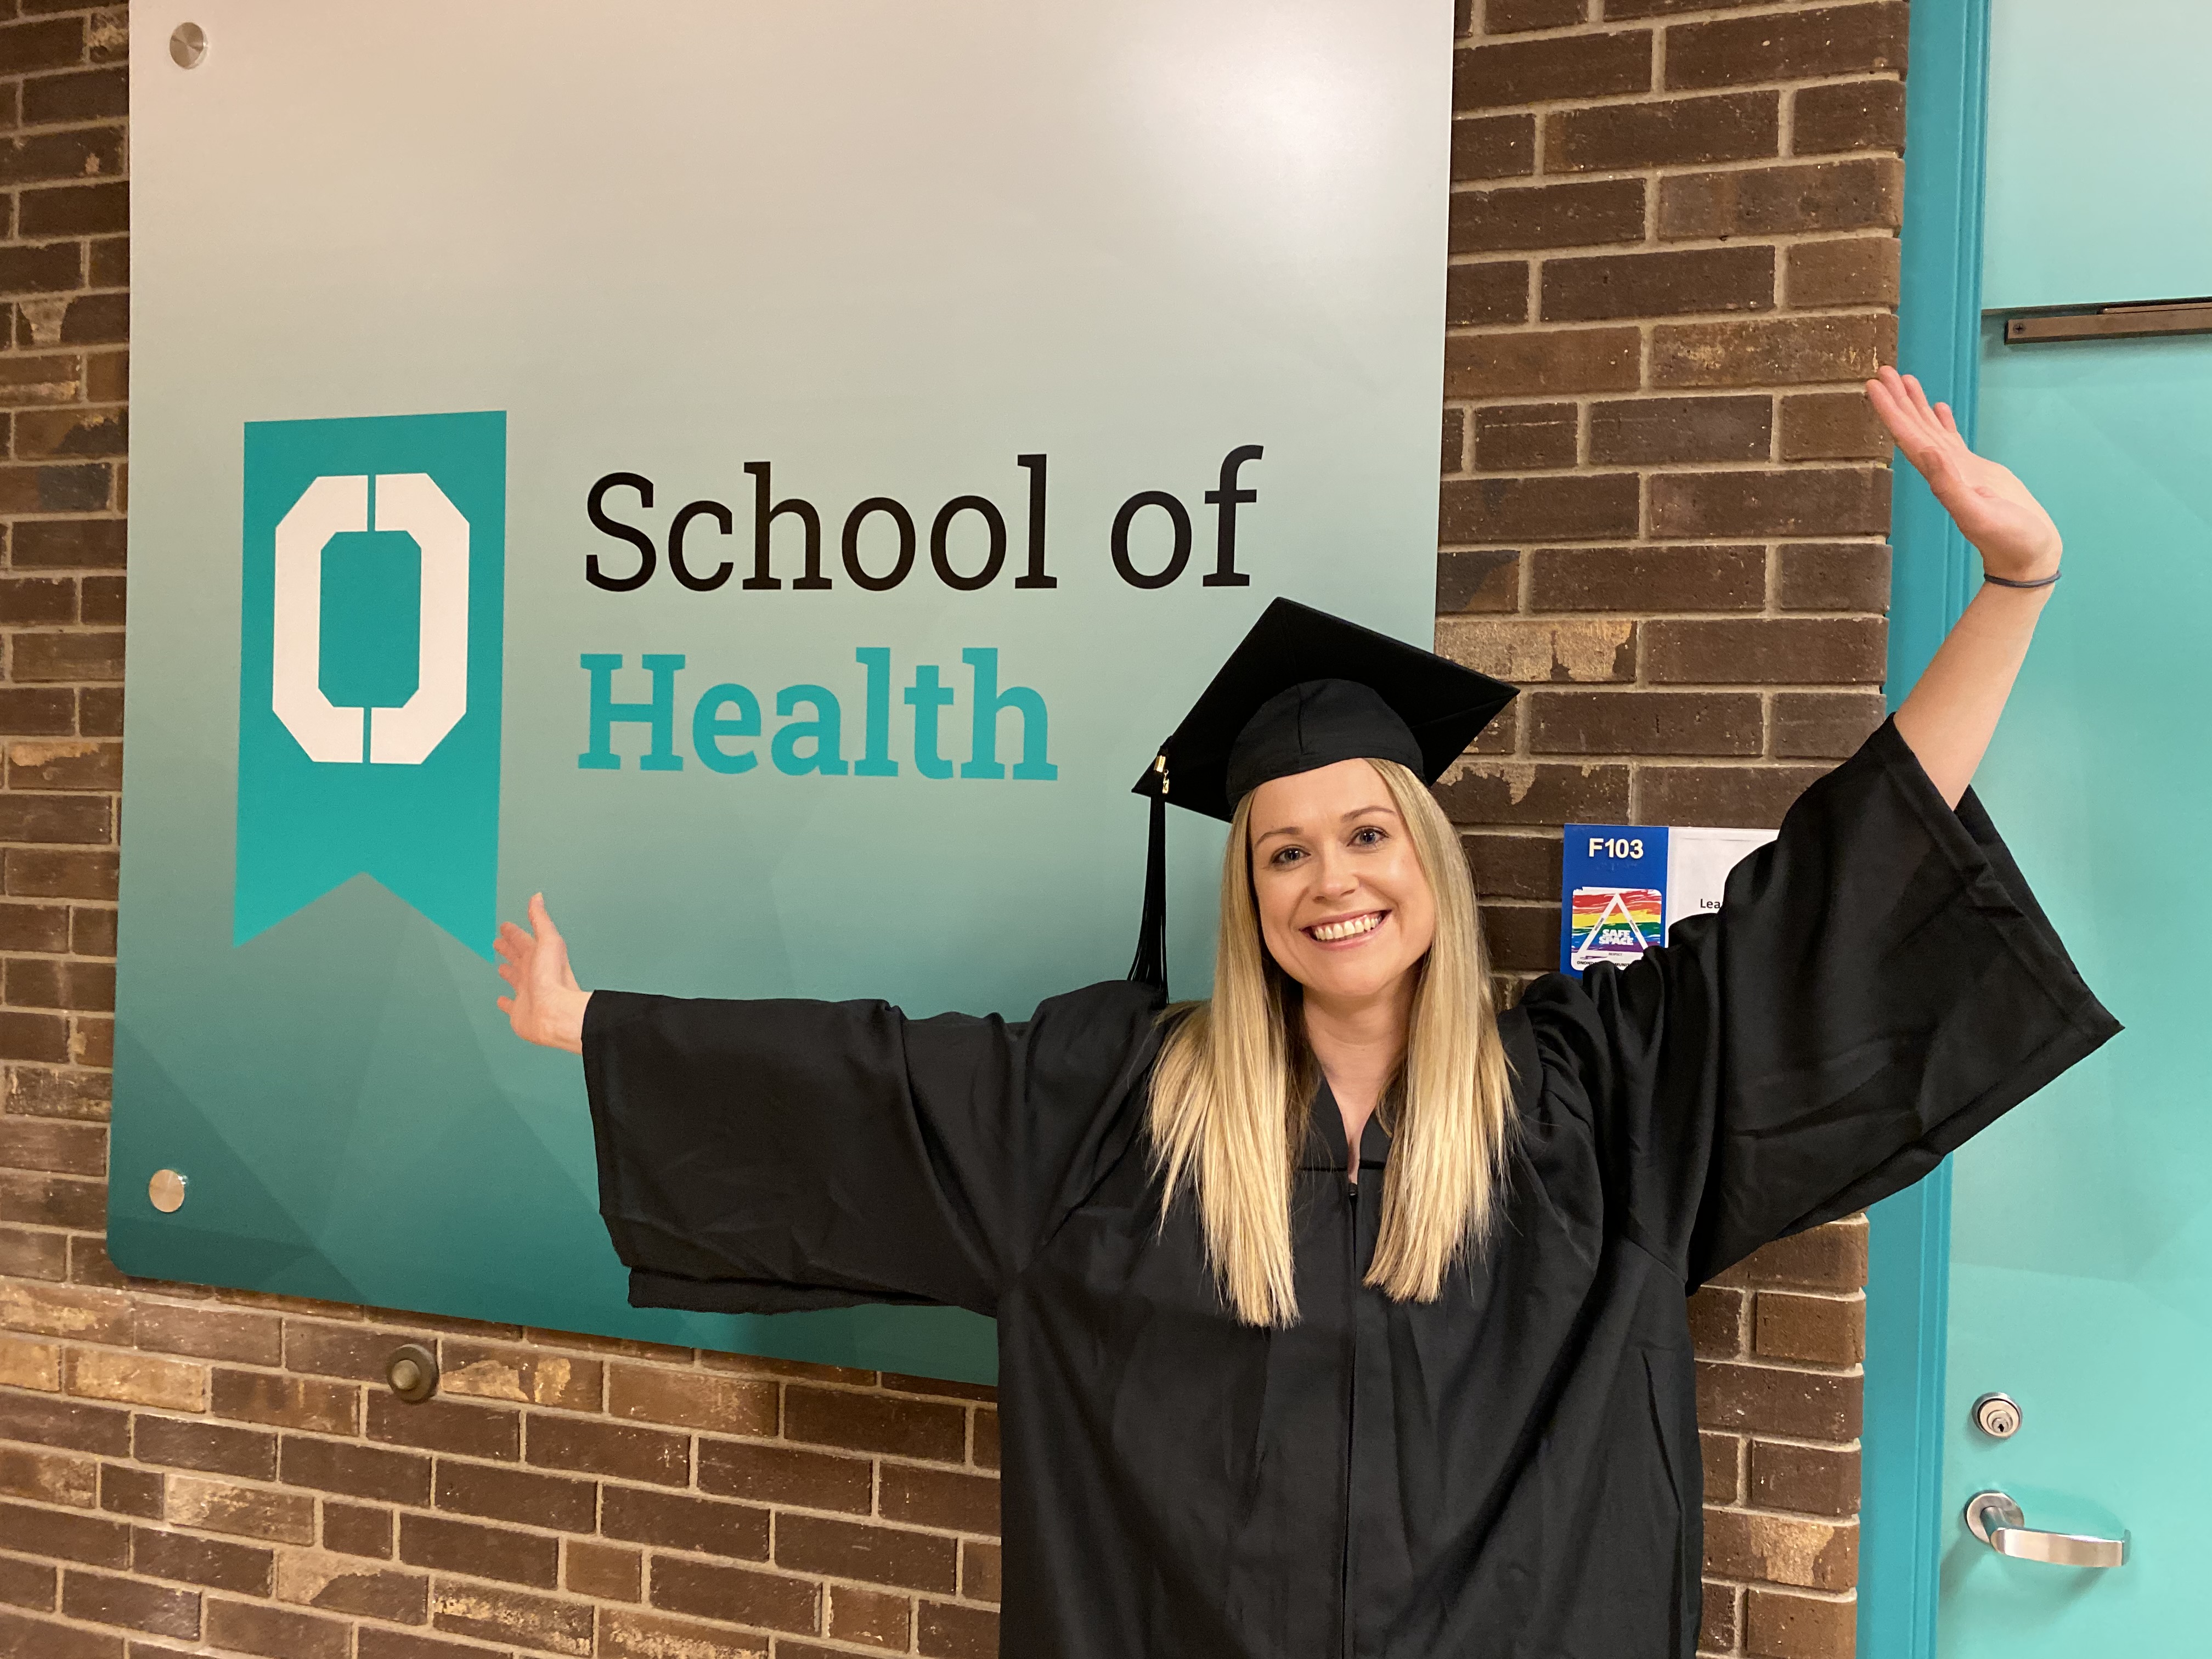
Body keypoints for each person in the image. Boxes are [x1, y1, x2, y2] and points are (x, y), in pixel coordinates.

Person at [497, 368, 2117, 1659]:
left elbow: (1831, 892)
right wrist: (603, 1031)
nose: (1330, 883)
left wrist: (2017, 581)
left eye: (1364, 836)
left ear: (1424, 855)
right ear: (1247, 892)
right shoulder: (1110, 1116)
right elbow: (870, 1085)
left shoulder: (1600, 1101)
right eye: (1284, 851)